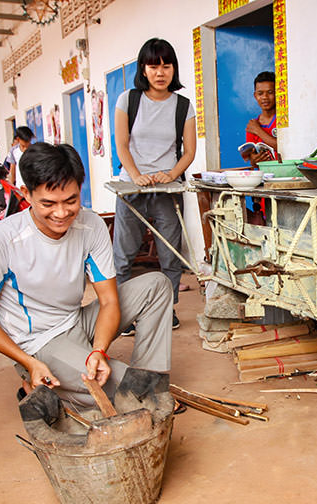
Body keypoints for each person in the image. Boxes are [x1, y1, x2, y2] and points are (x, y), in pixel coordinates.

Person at [0, 142, 175, 407]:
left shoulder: (91, 224)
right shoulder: (0, 240)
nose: (62, 213)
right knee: (130, 392)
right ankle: (41, 382)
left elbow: (109, 301)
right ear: (25, 194)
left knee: (156, 285)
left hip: (77, 321)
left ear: (80, 189)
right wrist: (29, 362)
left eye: (71, 200)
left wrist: (98, 350)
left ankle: (147, 380)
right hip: (38, 343)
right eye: (48, 204)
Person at [113, 37, 196, 334]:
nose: (161, 72)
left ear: (174, 69)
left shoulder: (183, 106)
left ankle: (166, 309)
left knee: (170, 252)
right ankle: (124, 313)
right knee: (124, 253)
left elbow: (189, 151)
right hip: (131, 187)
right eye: (154, 66)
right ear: (143, 69)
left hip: (166, 189)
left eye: (167, 65)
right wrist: (135, 174)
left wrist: (172, 173)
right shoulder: (128, 100)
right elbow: (122, 144)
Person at [240, 71, 279, 168]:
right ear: (255, 96)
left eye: (270, 92)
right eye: (260, 93)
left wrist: (258, 130)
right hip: (263, 177)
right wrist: (254, 160)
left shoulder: (283, 120)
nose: (265, 97)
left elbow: (284, 147)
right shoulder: (252, 125)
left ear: (277, 93)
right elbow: (253, 162)